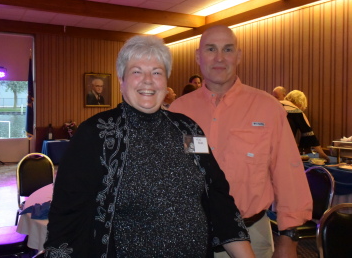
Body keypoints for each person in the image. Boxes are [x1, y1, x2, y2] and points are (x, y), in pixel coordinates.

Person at [43, 35, 255, 257]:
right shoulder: (95, 134)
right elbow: (67, 216)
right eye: (137, 71)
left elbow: (217, 193)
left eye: (156, 72)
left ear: (166, 80)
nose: (148, 80)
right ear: (121, 79)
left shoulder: (187, 130)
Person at [170, 25, 312, 258]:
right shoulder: (178, 111)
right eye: (211, 49)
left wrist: (289, 239)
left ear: (239, 56)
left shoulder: (268, 108)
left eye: (227, 49)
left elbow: (288, 174)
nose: (219, 58)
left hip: (252, 236)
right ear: (198, 56)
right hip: (191, 236)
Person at [281, 90, 329, 161]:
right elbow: (308, 133)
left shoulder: (276, 104)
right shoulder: (296, 111)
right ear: (300, 102)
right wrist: (321, 153)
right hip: (282, 149)